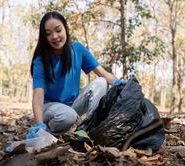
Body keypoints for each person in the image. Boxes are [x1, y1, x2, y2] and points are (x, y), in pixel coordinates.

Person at [26, 11, 124, 139]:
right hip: (50, 108)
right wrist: (39, 123)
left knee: (101, 82)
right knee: (68, 116)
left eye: (58, 30)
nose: (55, 36)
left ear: (66, 28)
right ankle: (48, 133)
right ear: (44, 37)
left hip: (73, 105)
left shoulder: (77, 50)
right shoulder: (41, 60)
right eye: (48, 34)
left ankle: (91, 128)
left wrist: (120, 83)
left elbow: (103, 73)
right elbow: (38, 97)